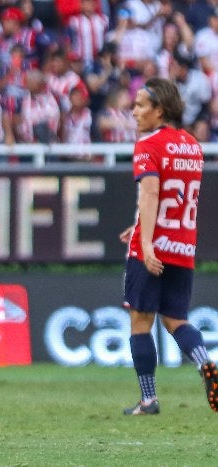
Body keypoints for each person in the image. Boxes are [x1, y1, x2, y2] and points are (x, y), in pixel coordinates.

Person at [119, 77, 218, 416]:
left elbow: (151, 193)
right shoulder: (193, 146)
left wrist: (145, 242)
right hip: (184, 244)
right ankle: (205, 362)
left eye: (140, 105)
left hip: (153, 248)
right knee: (176, 319)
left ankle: (148, 400)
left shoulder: (148, 145)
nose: (134, 112)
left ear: (158, 111)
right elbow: (174, 199)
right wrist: (139, 223)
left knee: (141, 320)